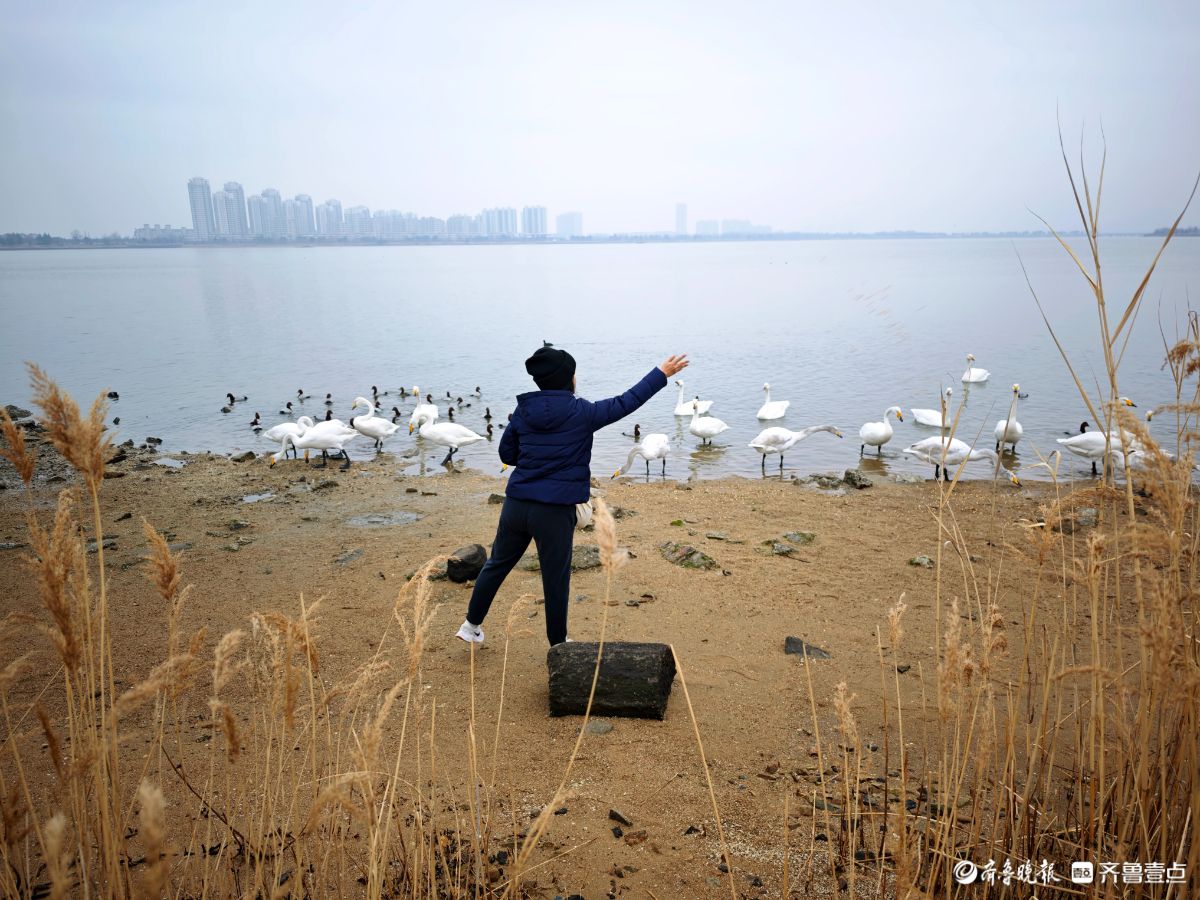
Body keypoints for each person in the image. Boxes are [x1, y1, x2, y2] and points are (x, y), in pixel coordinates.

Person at [456, 344, 689, 646]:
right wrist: (661, 374)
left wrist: (534, 456)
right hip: (553, 511)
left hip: (516, 504)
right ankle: (558, 645)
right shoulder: (584, 412)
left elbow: (507, 453)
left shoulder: (523, 412)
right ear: (570, 379)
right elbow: (626, 402)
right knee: (555, 579)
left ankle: (470, 625)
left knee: (497, 564)